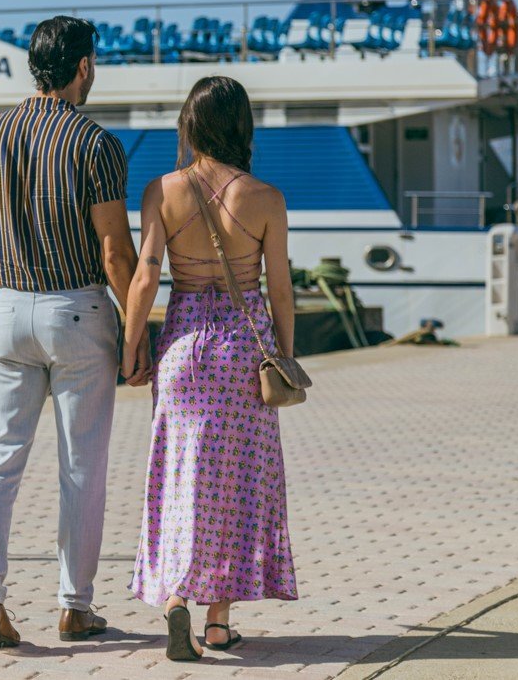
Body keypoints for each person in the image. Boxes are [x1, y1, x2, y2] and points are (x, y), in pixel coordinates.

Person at [0, 15, 144, 648]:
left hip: (7, 312)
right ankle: (74, 606)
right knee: (81, 466)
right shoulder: (95, 145)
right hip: (78, 312)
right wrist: (140, 327)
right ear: (83, 66)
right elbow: (116, 252)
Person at [120, 75, 299, 661]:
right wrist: (284, 356)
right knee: (234, 485)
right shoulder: (266, 197)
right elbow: (280, 292)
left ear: (189, 126)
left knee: (178, 477)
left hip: (182, 348)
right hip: (242, 354)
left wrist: (131, 347)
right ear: (241, 127)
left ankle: (175, 599)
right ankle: (219, 622)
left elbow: (146, 275)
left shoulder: (163, 191)